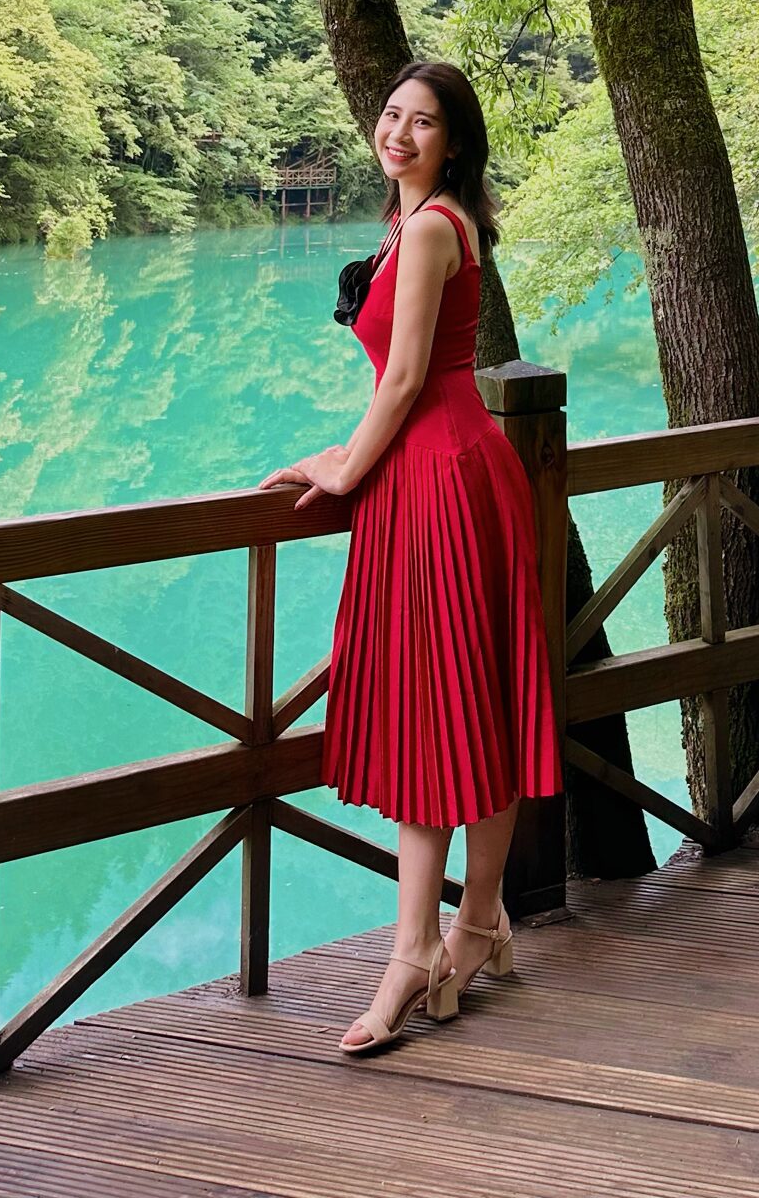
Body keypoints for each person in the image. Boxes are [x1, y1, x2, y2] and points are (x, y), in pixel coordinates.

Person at [262, 60, 561, 1056]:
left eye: (422, 121)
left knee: (446, 706)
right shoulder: (414, 223)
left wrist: (343, 468)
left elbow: (403, 382)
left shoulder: (432, 228)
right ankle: (473, 926)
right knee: (463, 701)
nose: (397, 132)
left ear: (454, 141)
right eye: (390, 114)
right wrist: (350, 462)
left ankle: (424, 949)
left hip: (440, 479)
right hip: (434, 476)